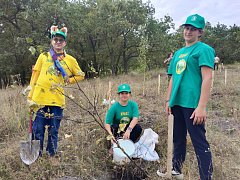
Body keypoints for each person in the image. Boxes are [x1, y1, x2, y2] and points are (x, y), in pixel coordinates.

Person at [165, 14, 214, 180]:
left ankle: (206, 177)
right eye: (187, 28)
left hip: (193, 104)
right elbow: (173, 78)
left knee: (199, 142)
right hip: (176, 102)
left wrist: (201, 106)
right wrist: (168, 100)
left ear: (200, 32)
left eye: (193, 29)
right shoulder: (178, 53)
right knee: (178, 139)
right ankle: (176, 170)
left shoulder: (204, 50)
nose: (188, 31)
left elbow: (207, 77)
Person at [28, 24, 85, 157]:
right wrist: (30, 96)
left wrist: (68, 80)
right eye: (55, 39)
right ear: (52, 41)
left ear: (64, 43)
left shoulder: (70, 60)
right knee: (38, 129)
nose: (58, 42)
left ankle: (51, 154)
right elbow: (34, 76)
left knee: (54, 130)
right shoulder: (43, 56)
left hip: (57, 100)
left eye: (61, 40)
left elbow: (81, 75)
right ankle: (37, 155)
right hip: (39, 99)